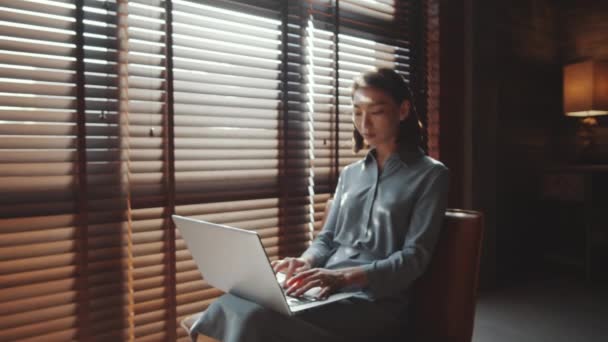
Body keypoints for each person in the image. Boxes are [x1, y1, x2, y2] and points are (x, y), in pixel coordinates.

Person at [189, 68, 450, 342]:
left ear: (403, 110)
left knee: (254, 318)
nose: (365, 123)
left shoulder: (431, 175)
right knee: (234, 302)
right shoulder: (351, 174)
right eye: (357, 111)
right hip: (324, 289)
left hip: (373, 303)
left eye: (377, 111)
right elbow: (326, 239)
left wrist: (344, 278)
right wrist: (305, 262)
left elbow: (414, 258)